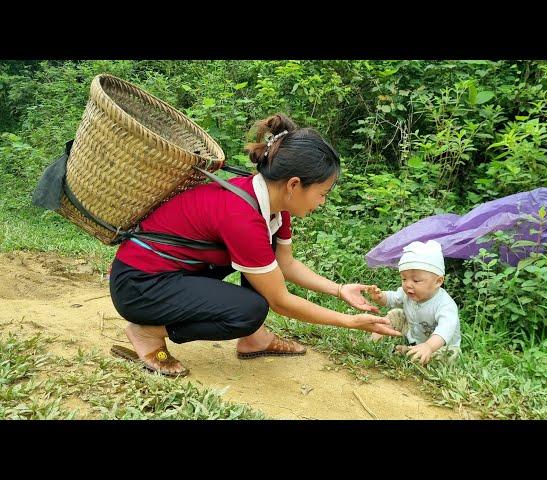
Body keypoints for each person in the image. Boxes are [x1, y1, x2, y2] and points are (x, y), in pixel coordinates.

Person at [109, 113, 401, 377]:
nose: (322, 203)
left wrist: (338, 290)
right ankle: (148, 331)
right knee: (248, 311)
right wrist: (348, 321)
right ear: (294, 185)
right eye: (322, 194)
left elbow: (284, 264)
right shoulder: (242, 216)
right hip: (140, 284)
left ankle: (254, 339)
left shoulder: (273, 206)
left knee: (262, 272)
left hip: (176, 272)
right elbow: (280, 301)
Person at [366, 240, 461, 365]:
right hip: (413, 333)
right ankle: (371, 342)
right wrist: (380, 297)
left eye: (416, 280)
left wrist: (428, 347)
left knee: (451, 355)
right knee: (396, 314)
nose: (408, 284)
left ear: (438, 281)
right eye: (404, 279)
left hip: (439, 345)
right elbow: (392, 299)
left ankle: (412, 354)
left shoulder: (445, 304)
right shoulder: (407, 293)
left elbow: (445, 330)